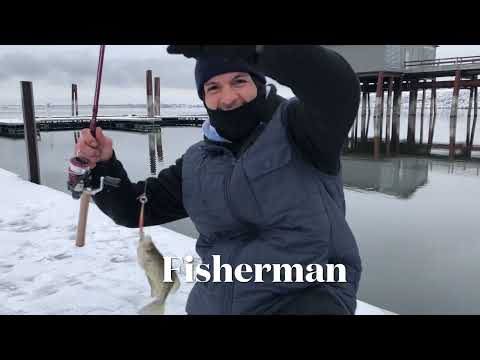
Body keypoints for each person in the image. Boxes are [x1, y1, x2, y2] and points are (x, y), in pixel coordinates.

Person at [74, 45, 362, 315]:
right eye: (213, 87)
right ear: (203, 97)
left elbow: (336, 87)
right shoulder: (196, 162)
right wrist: (103, 166)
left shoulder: (303, 129)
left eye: (239, 81)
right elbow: (133, 209)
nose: (227, 98)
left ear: (259, 83)